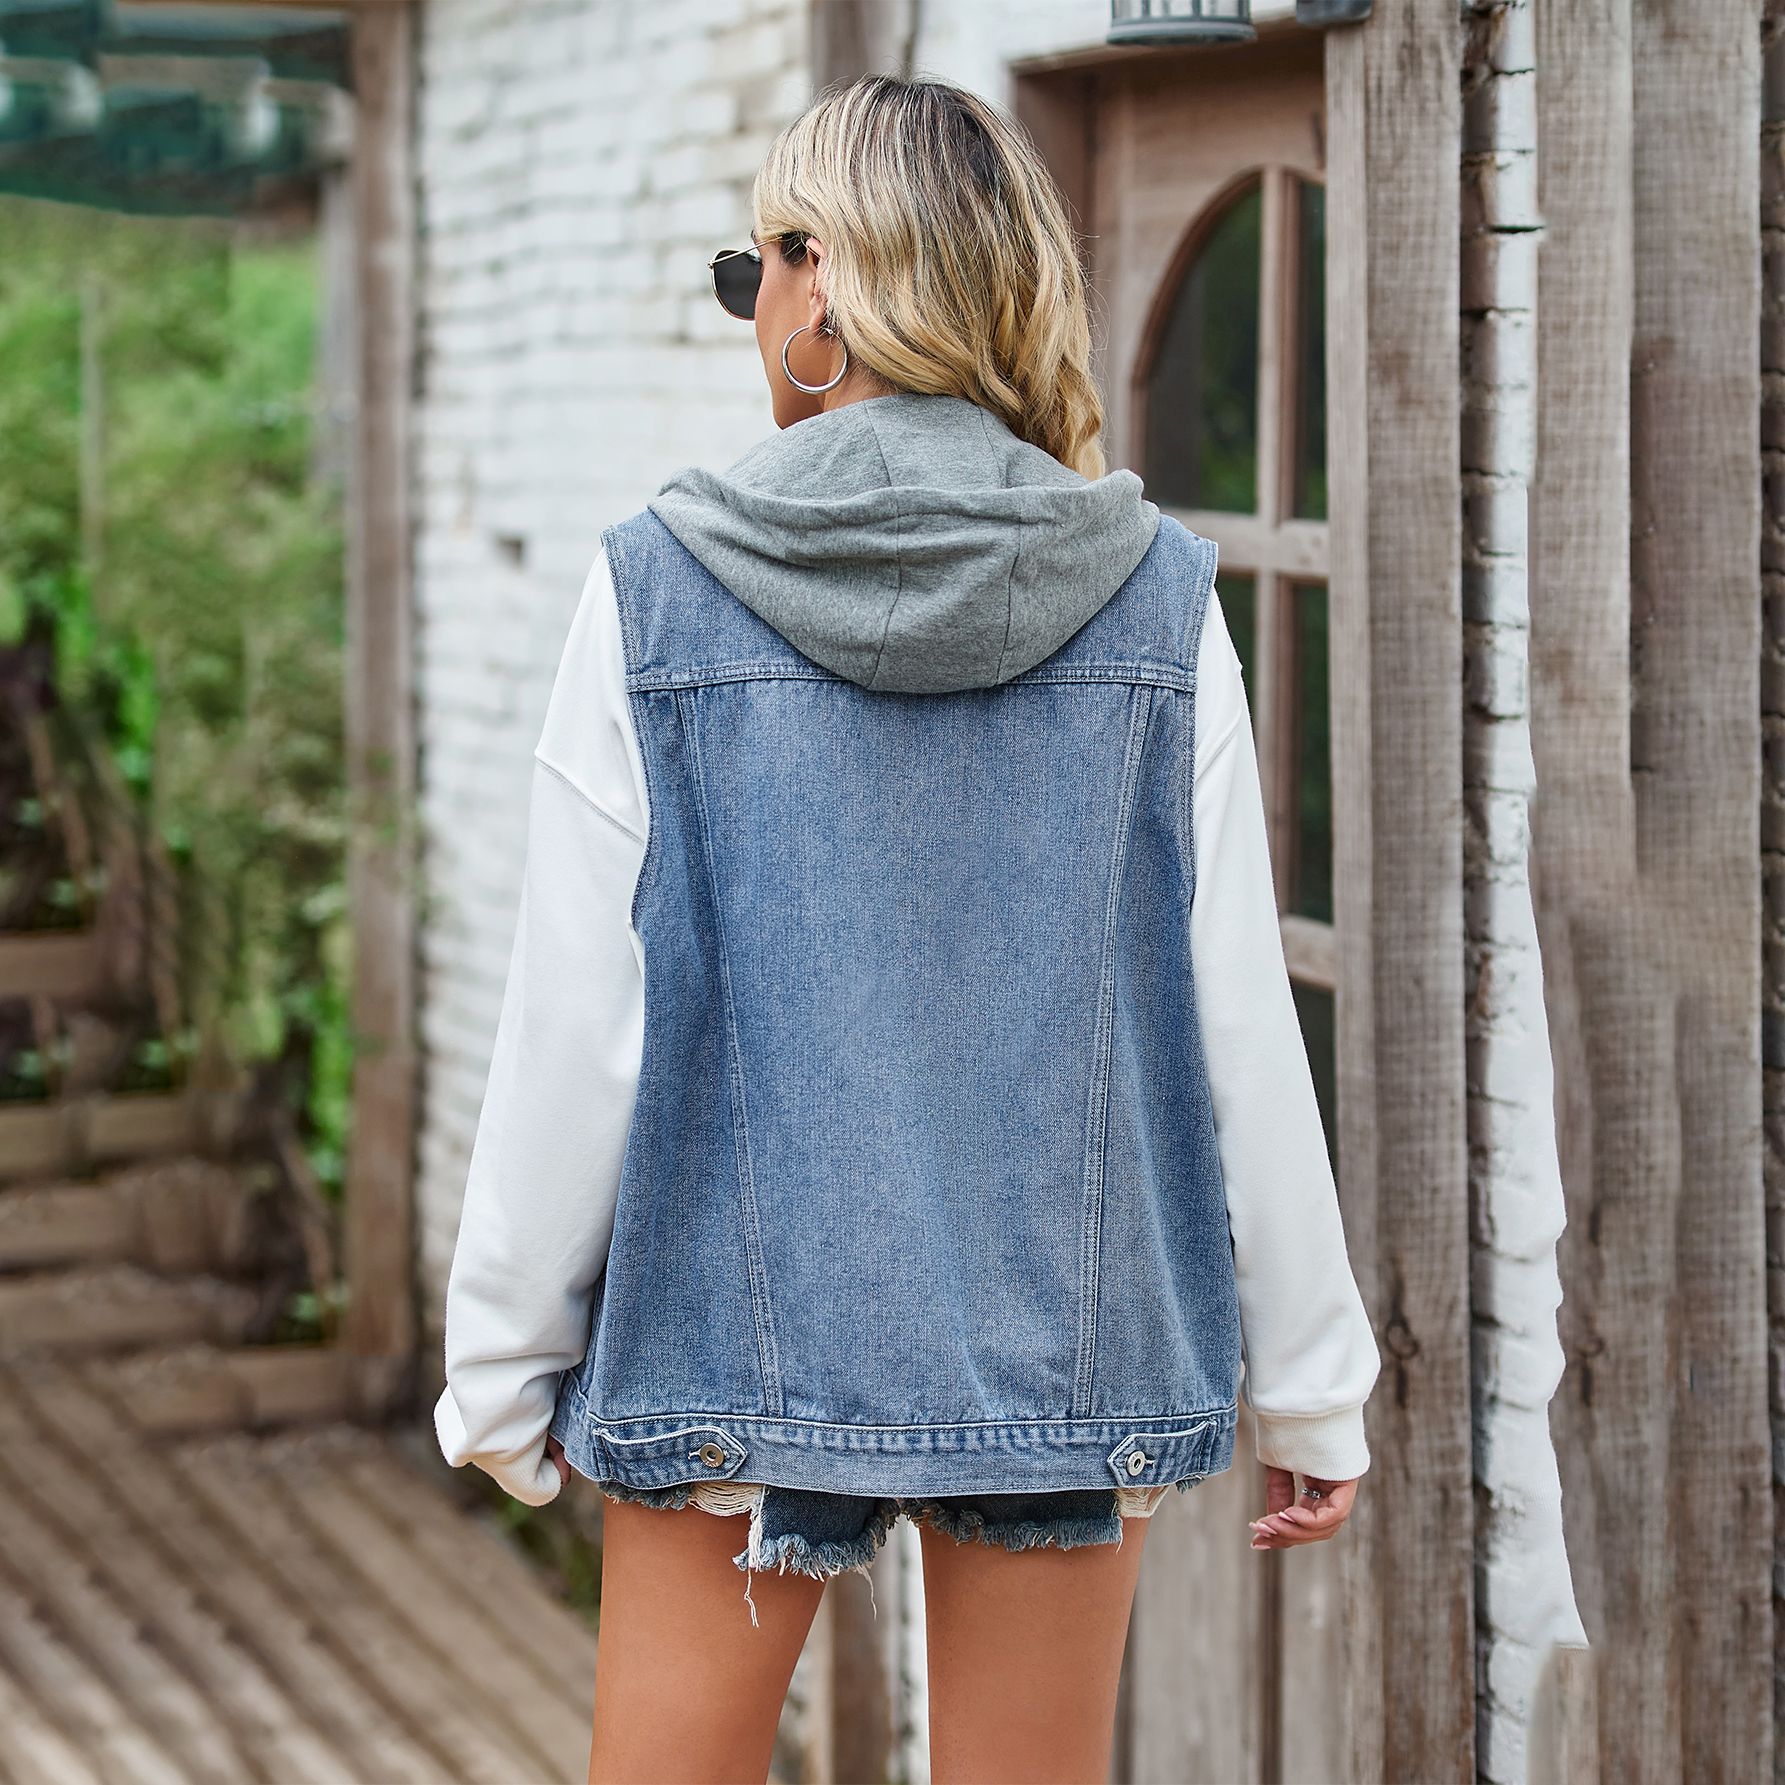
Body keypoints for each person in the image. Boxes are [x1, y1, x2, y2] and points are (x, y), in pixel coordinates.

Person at [433, 72, 1380, 1785]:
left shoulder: (653, 588)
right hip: (1066, 1345)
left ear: (820, 282)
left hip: (727, 1336)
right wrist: (1309, 1382)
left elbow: (581, 1020)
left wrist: (500, 1368)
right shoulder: (1156, 598)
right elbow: (1233, 1019)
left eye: (752, 271)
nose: (751, 311)